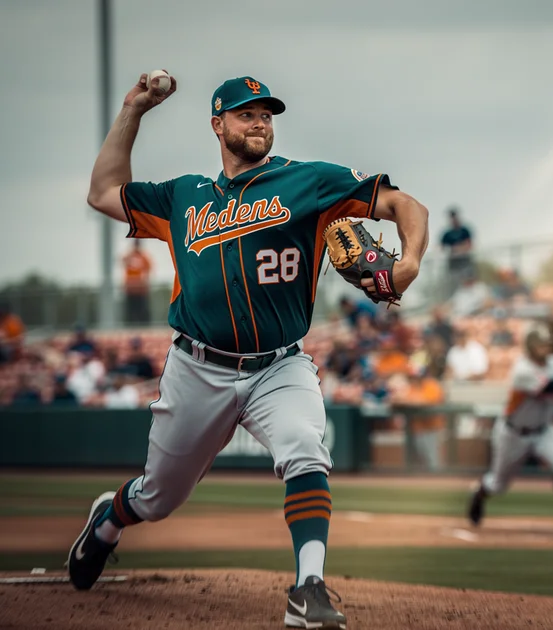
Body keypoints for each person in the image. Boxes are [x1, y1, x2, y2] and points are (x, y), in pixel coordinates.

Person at [71, 71, 428, 629]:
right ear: (218, 125)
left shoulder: (308, 182)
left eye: (266, 113)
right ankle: (109, 520)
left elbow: (407, 206)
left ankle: (309, 588)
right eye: (246, 113)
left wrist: (406, 264)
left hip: (280, 364)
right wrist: (133, 111)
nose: (260, 121)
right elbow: (101, 193)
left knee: (305, 448)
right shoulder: (182, 196)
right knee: (159, 498)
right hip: (197, 368)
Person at [467, 324, 553, 535]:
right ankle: (479, 493)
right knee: (498, 485)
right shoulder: (521, 370)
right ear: (530, 347)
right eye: (540, 345)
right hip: (513, 433)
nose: (545, 348)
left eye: (547, 344)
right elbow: (548, 389)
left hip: (544, 430)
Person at [440, 206, 474, 295]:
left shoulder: (464, 230)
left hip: (465, 261)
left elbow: (469, 245)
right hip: (453, 264)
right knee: (454, 284)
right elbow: (442, 247)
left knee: (469, 281)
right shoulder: (447, 233)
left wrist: (458, 248)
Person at [122, 240, 153, 324]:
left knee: (142, 310)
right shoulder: (129, 256)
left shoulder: (144, 257)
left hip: (141, 289)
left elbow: (148, 269)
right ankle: (130, 325)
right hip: (130, 289)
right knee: (130, 310)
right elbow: (122, 261)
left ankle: (144, 325)